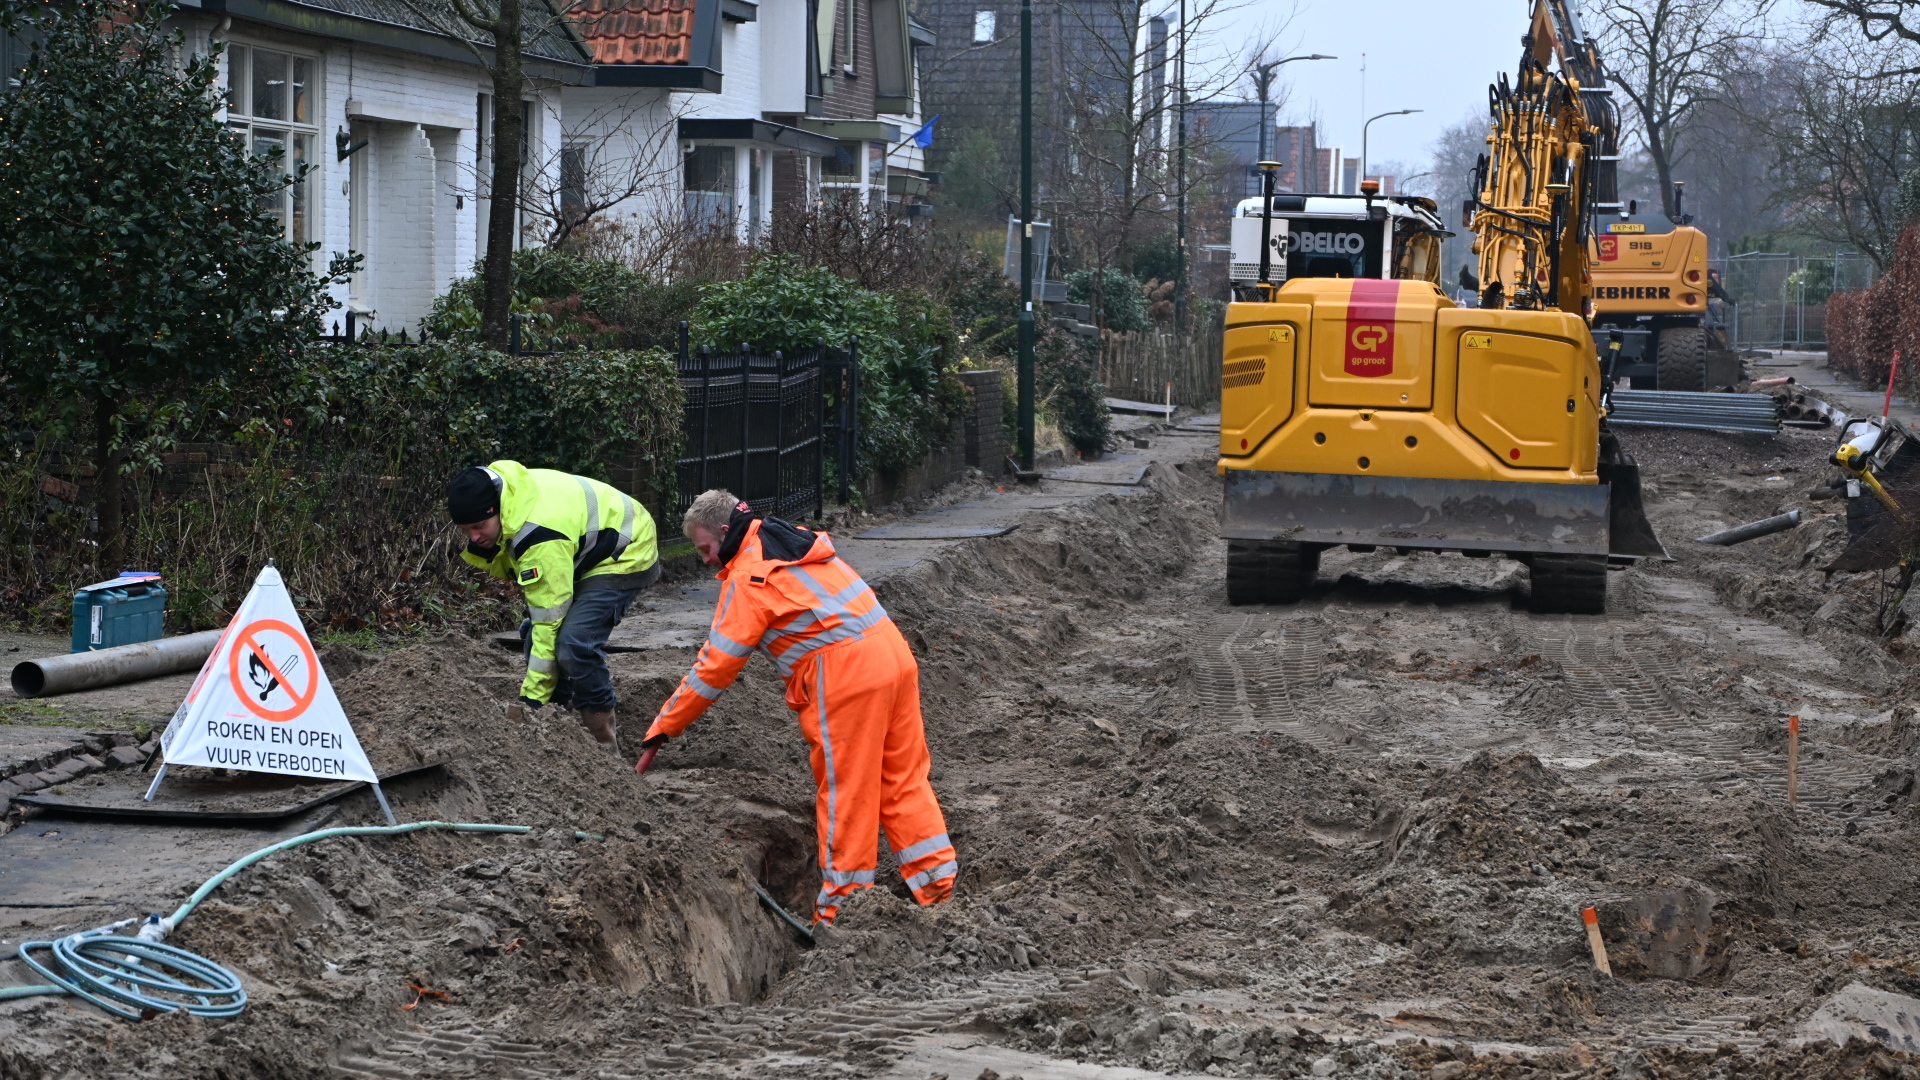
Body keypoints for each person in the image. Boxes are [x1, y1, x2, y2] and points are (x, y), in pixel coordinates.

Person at [641, 490, 957, 924]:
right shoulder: (795, 541)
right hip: (893, 655)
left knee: (847, 794)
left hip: (846, 676)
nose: (706, 561)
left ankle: (843, 911)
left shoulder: (749, 576)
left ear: (725, 533)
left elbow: (715, 667)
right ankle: (938, 888)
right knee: (904, 778)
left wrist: (664, 725)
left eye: (706, 549)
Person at [447, 462, 659, 749]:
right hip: (583, 551)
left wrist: (531, 702)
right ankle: (563, 727)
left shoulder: (538, 535)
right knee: (538, 638)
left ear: (496, 509)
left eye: (479, 526)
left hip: (627, 548)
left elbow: (549, 623)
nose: (473, 537)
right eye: (465, 530)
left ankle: (603, 741)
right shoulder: (509, 499)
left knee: (575, 645)